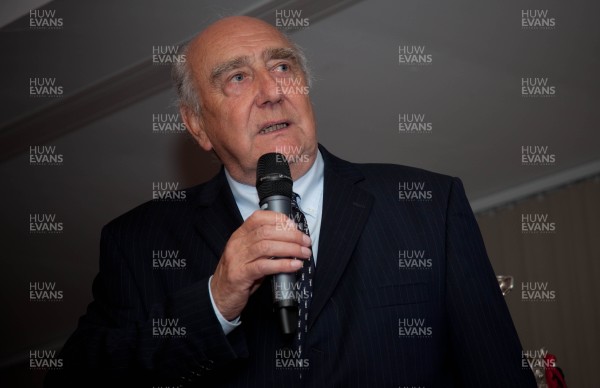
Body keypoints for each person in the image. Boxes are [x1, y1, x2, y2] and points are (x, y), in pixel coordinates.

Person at [45, 16, 536, 387]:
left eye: (283, 66)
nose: (272, 91)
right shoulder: (138, 242)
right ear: (196, 125)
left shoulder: (427, 205)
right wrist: (215, 300)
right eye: (236, 77)